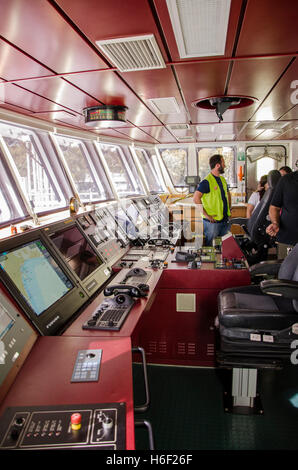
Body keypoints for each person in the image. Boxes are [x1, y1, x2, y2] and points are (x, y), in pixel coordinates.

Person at [193, 154, 231, 246]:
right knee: (212, 247)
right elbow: (195, 198)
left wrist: (230, 208)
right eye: (223, 163)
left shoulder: (222, 179)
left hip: (225, 220)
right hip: (212, 222)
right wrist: (207, 215)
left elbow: (227, 194)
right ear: (218, 165)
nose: (224, 165)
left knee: (224, 246)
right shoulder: (206, 181)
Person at [266, 168, 298, 259]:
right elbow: (274, 207)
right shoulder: (286, 180)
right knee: (287, 272)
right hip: (289, 239)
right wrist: (275, 223)